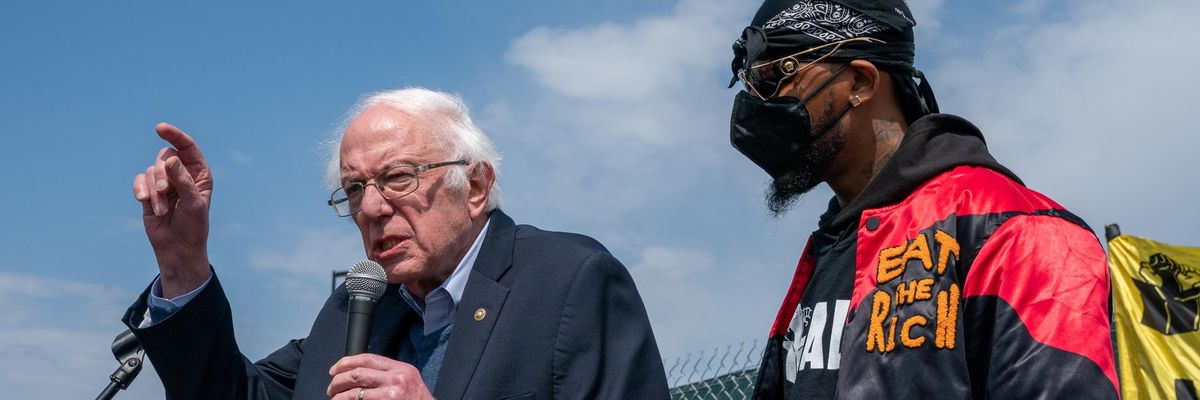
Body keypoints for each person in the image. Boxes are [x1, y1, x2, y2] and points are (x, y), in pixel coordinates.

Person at [123, 88, 669, 399]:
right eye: (354, 189)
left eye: (399, 178)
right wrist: (183, 264)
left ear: (475, 186)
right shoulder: (353, 308)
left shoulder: (570, 280)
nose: (372, 207)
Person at [726, 1, 1117, 398]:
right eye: (751, 84)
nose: (758, 103)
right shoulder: (828, 250)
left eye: (776, 76)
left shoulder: (1012, 227)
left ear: (860, 82)